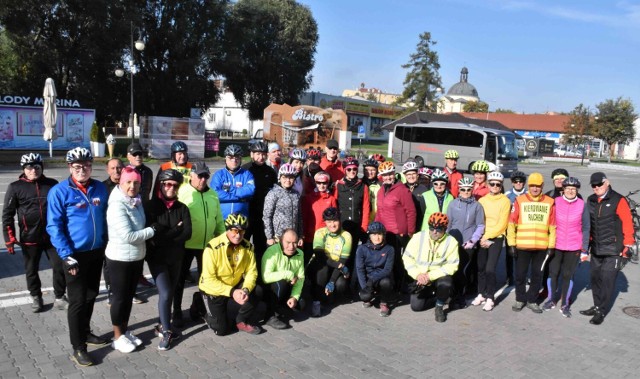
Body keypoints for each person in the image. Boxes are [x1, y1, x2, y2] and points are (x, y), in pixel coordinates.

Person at [46, 147, 109, 367]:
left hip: (96, 251)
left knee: (91, 295)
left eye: (87, 165)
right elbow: (54, 226)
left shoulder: (100, 188)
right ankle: (78, 347)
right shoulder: (60, 191)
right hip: (74, 256)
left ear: (92, 165)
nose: (83, 169)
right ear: (69, 167)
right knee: (77, 301)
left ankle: (86, 332)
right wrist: (66, 255)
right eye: (77, 166)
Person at [2, 153, 66, 312]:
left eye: (37, 166)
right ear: (24, 169)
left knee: (59, 266)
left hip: (52, 237)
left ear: (41, 167)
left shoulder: (52, 184)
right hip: (29, 237)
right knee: (31, 270)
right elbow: (7, 215)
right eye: (29, 167)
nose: (33, 170)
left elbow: (62, 210)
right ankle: (36, 297)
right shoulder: (15, 187)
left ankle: (60, 297)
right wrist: (9, 239)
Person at [105, 166, 156, 354]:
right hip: (119, 259)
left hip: (135, 257)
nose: (132, 186)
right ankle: (117, 337)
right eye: (128, 182)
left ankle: (124, 332)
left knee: (128, 297)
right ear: (121, 182)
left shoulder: (135, 200)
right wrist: (153, 231)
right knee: (119, 298)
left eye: (136, 183)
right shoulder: (117, 204)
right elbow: (129, 236)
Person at [580, 172, 635, 325]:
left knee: (607, 280)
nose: (597, 187)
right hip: (596, 248)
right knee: (595, 279)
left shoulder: (618, 200)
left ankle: (601, 311)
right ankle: (597, 305)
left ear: (607, 183)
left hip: (613, 249)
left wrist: (627, 246)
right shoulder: (590, 200)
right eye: (594, 185)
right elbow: (587, 224)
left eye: (599, 184)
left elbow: (628, 225)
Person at [145, 169, 192, 349]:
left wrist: (165, 234)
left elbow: (187, 233)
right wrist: (175, 231)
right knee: (165, 293)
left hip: (176, 257)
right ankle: (166, 332)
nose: (171, 188)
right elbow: (153, 237)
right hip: (157, 259)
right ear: (161, 185)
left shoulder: (182, 208)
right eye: (167, 184)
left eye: (175, 185)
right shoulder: (151, 207)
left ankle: (161, 324)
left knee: (170, 293)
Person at [175, 161, 225, 327]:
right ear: (191, 175)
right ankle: (176, 312)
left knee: (207, 281)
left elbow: (218, 220)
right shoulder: (182, 192)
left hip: (207, 246)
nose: (203, 180)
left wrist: (222, 240)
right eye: (200, 176)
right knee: (179, 281)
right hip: (185, 246)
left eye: (206, 176)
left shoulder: (213, 195)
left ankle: (202, 309)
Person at [198, 213, 262, 335]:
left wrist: (245, 290)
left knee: (258, 290)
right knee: (221, 330)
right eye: (234, 231)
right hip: (213, 289)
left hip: (234, 284)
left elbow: (251, 272)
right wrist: (233, 292)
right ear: (227, 229)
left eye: (242, 231)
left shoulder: (248, 246)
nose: (238, 235)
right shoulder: (212, 247)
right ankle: (199, 303)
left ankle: (241, 319)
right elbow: (209, 280)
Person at [507, 172, 556, 314]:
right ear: (529, 186)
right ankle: (520, 299)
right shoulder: (520, 200)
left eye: (538, 186)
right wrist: (511, 244)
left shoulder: (549, 202)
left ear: (542, 186)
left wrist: (551, 246)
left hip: (541, 247)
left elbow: (553, 226)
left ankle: (532, 300)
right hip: (522, 245)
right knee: (520, 275)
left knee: (537, 275)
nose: (535, 189)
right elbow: (512, 223)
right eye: (532, 186)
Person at [543, 177, 589, 318]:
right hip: (556, 244)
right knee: (553, 273)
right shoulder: (555, 202)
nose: (570, 191)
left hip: (574, 246)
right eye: (568, 188)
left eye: (573, 189)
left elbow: (586, 227)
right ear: (563, 189)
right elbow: (548, 222)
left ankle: (565, 303)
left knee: (568, 275)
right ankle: (551, 299)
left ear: (577, 190)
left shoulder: (582, 204)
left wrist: (584, 249)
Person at [102, 158, 145, 305]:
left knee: (129, 275)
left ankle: (131, 293)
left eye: (119, 167)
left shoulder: (133, 188)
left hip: (130, 242)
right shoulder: (103, 188)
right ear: (108, 171)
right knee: (110, 269)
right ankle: (111, 292)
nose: (116, 171)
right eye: (112, 168)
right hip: (112, 234)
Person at [403, 212, 459, 323]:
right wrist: (417, 275)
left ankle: (439, 306)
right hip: (420, 277)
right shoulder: (418, 237)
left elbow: (452, 265)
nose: (434, 232)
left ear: (445, 229)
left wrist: (430, 276)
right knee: (416, 307)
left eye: (438, 229)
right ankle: (443, 297)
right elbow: (407, 258)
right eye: (431, 228)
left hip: (438, 277)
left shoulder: (451, 242)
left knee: (446, 283)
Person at [375, 161, 416, 292]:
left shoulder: (402, 190)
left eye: (390, 174)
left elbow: (411, 211)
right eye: (385, 175)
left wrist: (410, 231)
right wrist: (375, 229)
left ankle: (399, 288)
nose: (388, 177)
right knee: (386, 261)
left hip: (399, 233)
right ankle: (388, 286)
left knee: (397, 261)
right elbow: (379, 212)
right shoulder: (381, 191)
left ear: (394, 174)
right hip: (385, 233)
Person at [472, 172, 511, 311]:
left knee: (490, 269)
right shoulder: (482, 200)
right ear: (488, 185)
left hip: (496, 238)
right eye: (492, 184)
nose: (494, 186)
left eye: (498, 184)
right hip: (483, 237)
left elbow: (503, 224)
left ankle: (490, 297)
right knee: (481, 267)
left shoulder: (505, 201)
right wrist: (481, 237)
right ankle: (481, 293)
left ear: (501, 186)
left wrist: (487, 237)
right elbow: (479, 221)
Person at [446, 177, 485, 308]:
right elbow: (448, 224)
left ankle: (461, 296)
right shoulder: (452, 204)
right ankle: (451, 294)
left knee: (464, 271)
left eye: (469, 189)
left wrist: (473, 240)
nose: (466, 192)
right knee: (453, 270)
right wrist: (446, 240)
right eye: (463, 189)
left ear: (472, 189)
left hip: (469, 243)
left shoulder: (477, 206)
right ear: (459, 190)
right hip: (453, 243)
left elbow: (480, 225)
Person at [308, 207, 352, 317]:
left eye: (335, 221)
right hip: (321, 264)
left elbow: (343, 260)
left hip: (336, 267)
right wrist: (339, 266)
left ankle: (330, 296)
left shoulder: (346, 236)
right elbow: (320, 256)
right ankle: (317, 301)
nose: (332, 225)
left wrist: (332, 281)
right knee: (323, 269)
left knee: (341, 284)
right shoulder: (320, 233)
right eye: (329, 221)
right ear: (325, 222)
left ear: (340, 220)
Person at [261, 228, 305, 330]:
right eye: (288, 242)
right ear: (281, 240)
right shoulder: (271, 251)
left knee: (301, 304)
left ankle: (281, 307)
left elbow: (301, 278)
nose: (291, 246)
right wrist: (288, 274)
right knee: (281, 284)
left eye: (294, 243)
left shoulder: (300, 253)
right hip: (270, 287)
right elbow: (265, 277)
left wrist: (294, 297)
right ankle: (269, 316)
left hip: (289, 285)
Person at [242, 141, 277, 264]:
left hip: (263, 216)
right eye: (257, 154)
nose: (260, 157)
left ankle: (259, 275)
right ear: (251, 154)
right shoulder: (244, 170)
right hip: (246, 215)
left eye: (263, 154)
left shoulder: (270, 172)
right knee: (242, 245)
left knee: (261, 248)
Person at [334, 158, 370, 271]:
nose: (352, 171)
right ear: (345, 170)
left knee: (354, 254)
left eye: (354, 169)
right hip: (342, 226)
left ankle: (350, 281)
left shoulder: (363, 186)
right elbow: (334, 205)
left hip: (356, 226)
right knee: (340, 254)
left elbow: (365, 207)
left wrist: (363, 227)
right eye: (349, 169)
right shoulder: (338, 185)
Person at [355, 222, 395, 317]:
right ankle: (369, 297)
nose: (377, 238)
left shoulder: (389, 249)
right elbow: (360, 269)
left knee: (386, 282)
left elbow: (387, 270)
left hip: (381, 277)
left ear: (383, 235)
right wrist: (365, 287)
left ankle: (384, 303)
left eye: (379, 234)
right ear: (369, 236)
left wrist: (373, 280)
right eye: (374, 234)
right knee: (365, 296)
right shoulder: (362, 249)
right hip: (367, 277)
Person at [301, 171, 338, 265]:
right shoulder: (308, 198)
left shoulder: (331, 199)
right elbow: (304, 218)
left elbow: (334, 219)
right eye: (319, 183)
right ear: (315, 183)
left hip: (324, 236)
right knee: (305, 260)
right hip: (310, 236)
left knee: (321, 263)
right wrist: (303, 234)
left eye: (324, 183)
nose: (321, 185)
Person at [263, 163, 303, 247]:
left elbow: (299, 216)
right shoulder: (273, 193)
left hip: (293, 236)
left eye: (291, 177)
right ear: (279, 178)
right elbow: (267, 216)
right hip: (277, 237)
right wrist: (269, 237)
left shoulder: (296, 194)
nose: (288, 180)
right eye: (285, 177)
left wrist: (300, 236)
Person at [211, 144, 255, 219]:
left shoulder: (247, 174)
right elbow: (215, 194)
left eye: (237, 157)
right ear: (225, 159)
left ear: (241, 159)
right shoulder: (218, 175)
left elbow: (250, 190)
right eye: (230, 157)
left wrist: (231, 189)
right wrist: (239, 198)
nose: (234, 160)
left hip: (241, 220)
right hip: (222, 219)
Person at [504, 170, 527, 287]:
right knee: (509, 254)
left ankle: (522, 276)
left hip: (524, 228)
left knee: (523, 254)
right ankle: (510, 276)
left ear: (524, 183)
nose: (518, 183)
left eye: (521, 181)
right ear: (512, 183)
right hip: (510, 228)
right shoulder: (507, 195)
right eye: (516, 181)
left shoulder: (528, 194)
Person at [403, 161, 428, 230]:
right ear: (405, 176)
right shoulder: (401, 188)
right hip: (404, 224)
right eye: (408, 174)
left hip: (419, 223)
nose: (411, 176)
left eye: (413, 173)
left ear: (417, 174)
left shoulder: (424, 189)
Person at [362, 158, 381, 223]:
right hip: (362, 220)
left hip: (377, 220)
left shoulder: (381, 185)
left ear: (377, 171)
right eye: (367, 170)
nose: (370, 172)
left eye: (373, 170)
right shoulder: (359, 184)